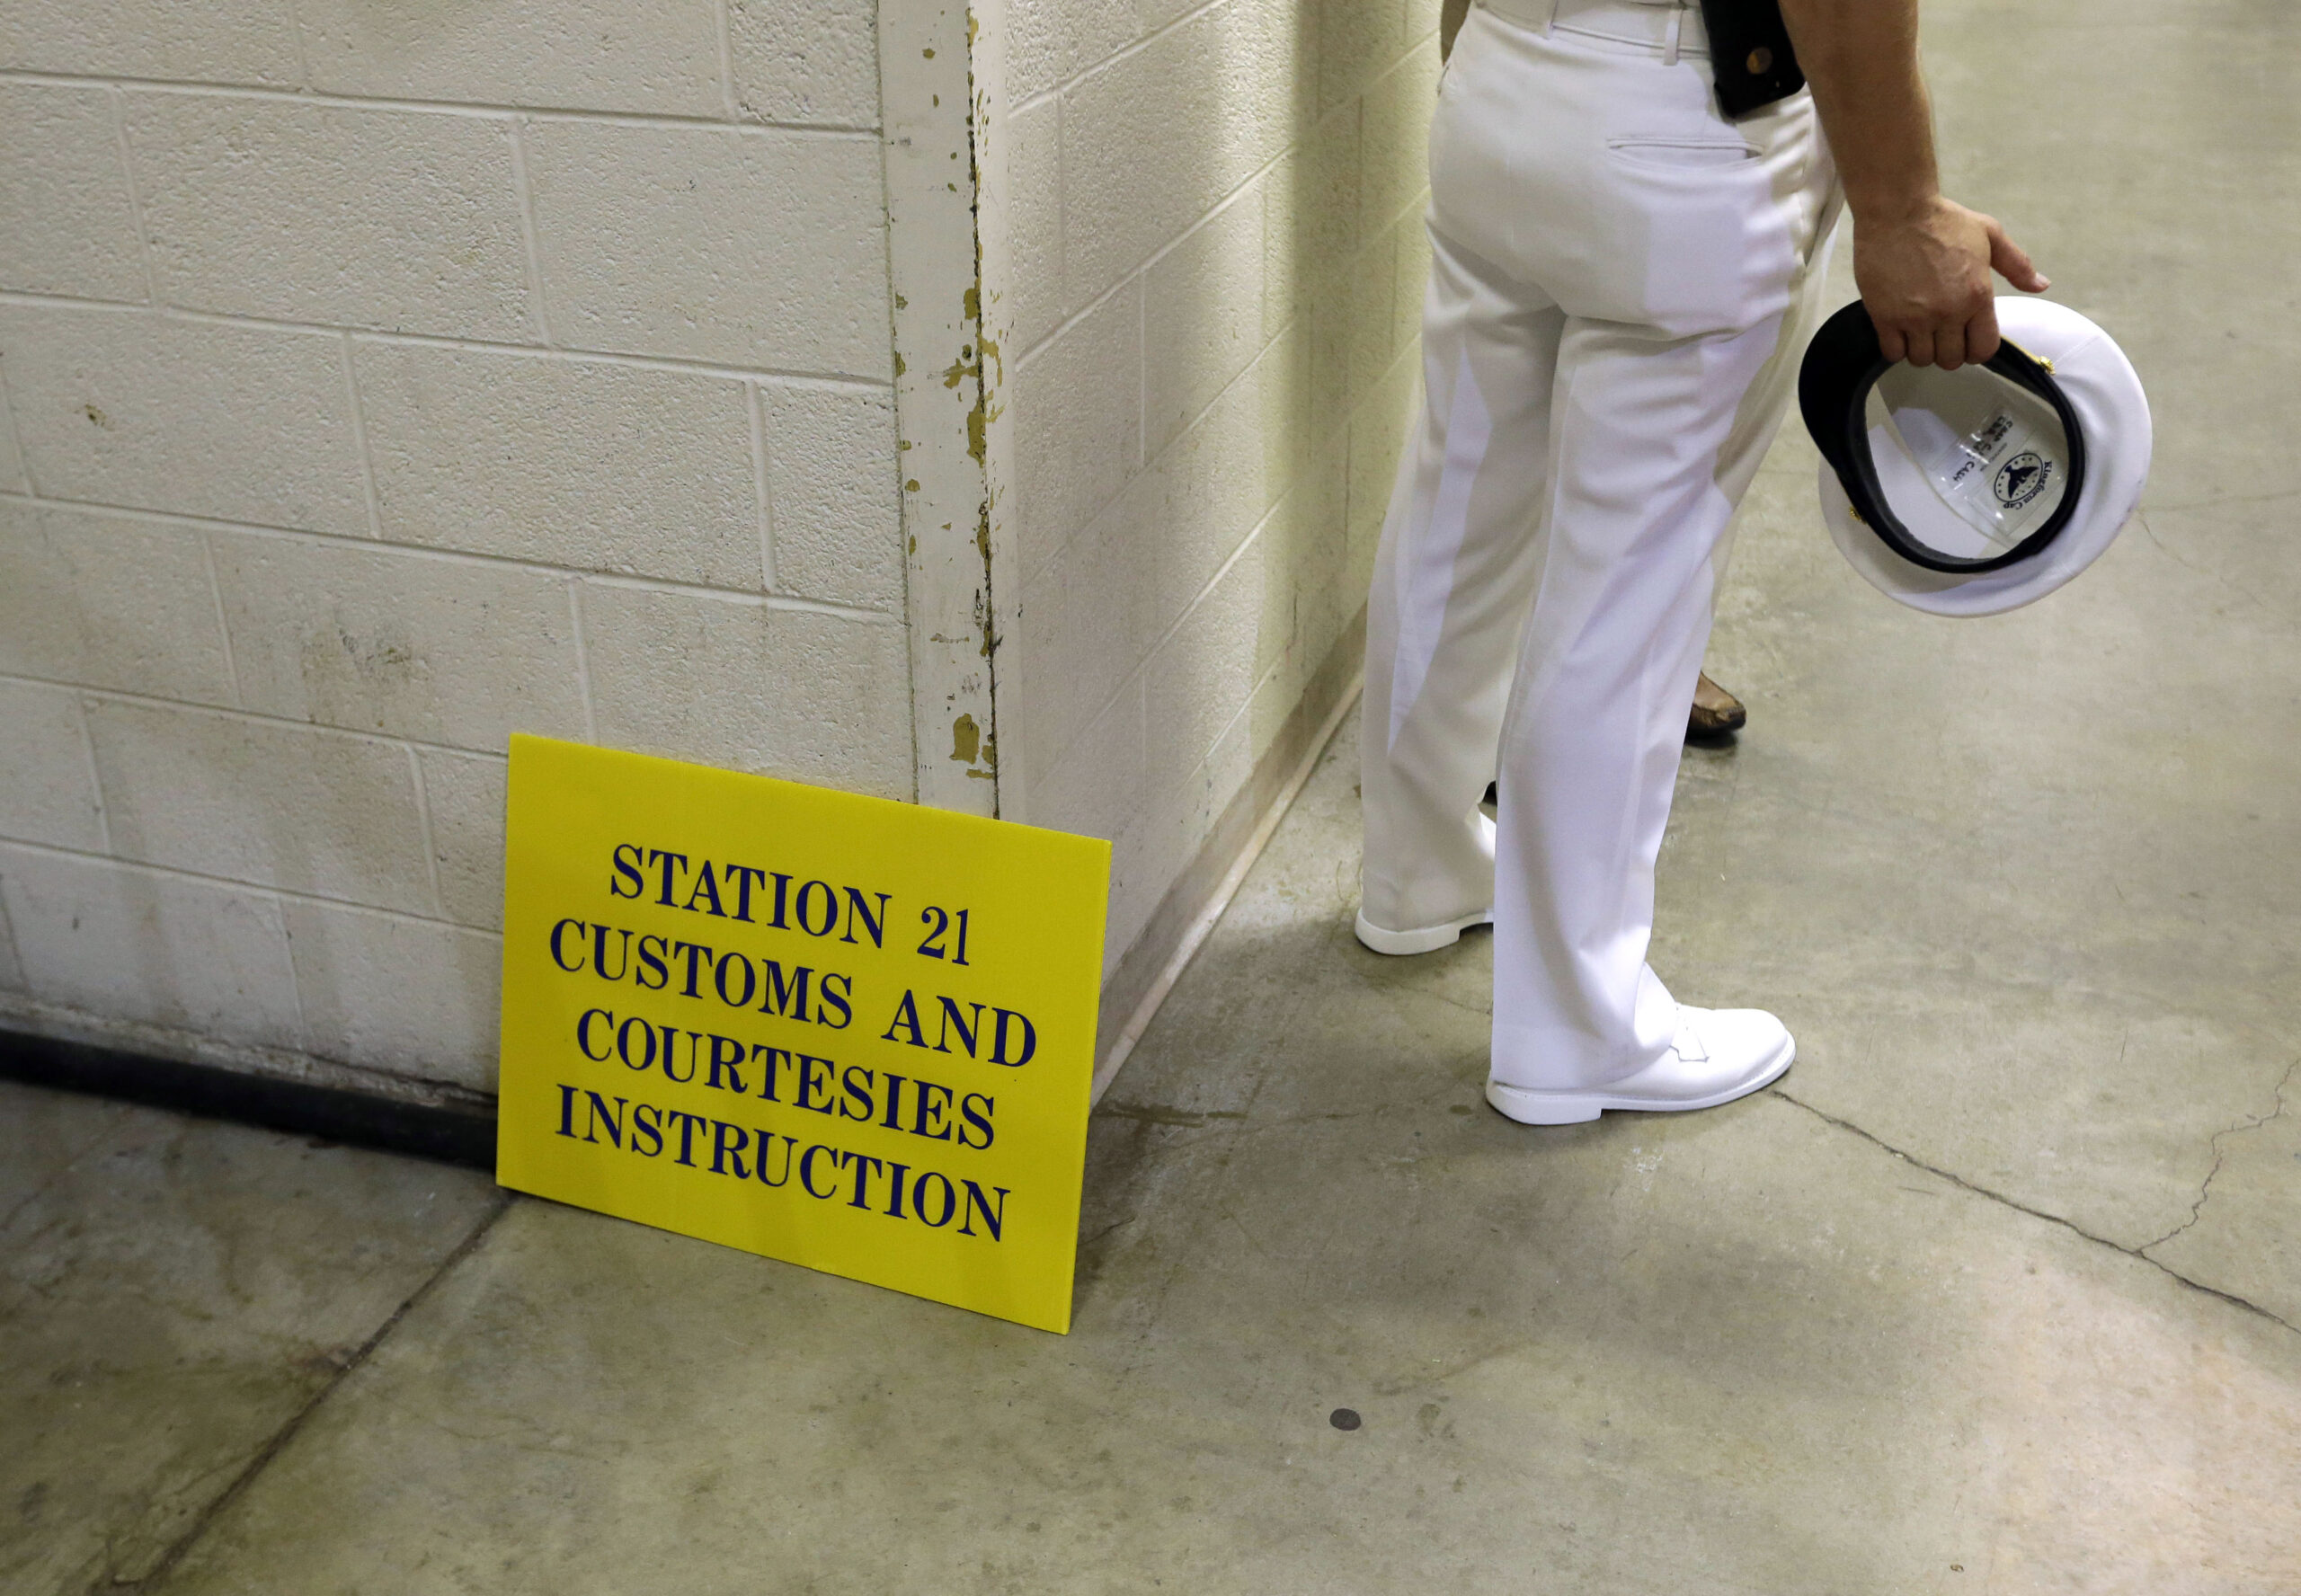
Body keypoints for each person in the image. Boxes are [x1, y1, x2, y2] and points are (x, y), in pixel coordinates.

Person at [1358, 0, 2046, 1123]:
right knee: (1629, 588)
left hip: (1500, 71)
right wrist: (1901, 208)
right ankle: (1577, 1032)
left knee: (1456, 502)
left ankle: (1415, 875)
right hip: (1685, 129)